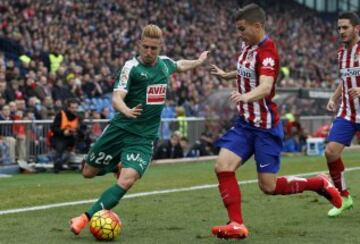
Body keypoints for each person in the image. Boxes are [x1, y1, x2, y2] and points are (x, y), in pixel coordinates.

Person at [209, 4, 342, 239]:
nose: (239, 34)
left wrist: (245, 96)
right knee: (222, 167)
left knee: (268, 187)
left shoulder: (268, 51)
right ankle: (236, 224)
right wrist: (228, 75)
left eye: (242, 29)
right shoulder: (247, 46)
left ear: (257, 26)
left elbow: (266, 86)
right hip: (244, 124)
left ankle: (319, 183)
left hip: (265, 128)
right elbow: (247, 70)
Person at [70, 24, 208, 235]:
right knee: (88, 172)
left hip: (143, 137)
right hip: (120, 129)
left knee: (127, 180)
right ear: (139, 45)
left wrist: (198, 62)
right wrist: (125, 110)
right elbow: (117, 97)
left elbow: (180, 64)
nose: (149, 52)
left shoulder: (164, 65)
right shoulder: (131, 68)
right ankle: (116, 165)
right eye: (146, 47)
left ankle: (84, 218)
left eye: (154, 48)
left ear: (160, 47)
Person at [324, 12, 360, 217]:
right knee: (330, 152)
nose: (341, 31)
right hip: (347, 113)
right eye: (339, 28)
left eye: (345, 27)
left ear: (357, 28)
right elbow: (344, 80)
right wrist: (334, 97)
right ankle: (345, 197)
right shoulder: (341, 54)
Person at [50, 98, 82, 173]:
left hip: (73, 138)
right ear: (68, 108)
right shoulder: (61, 114)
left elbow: (82, 130)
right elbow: (54, 128)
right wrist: (63, 132)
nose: (74, 110)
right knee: (60, 147)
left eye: (76, 108)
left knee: (84, 143)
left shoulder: (79, 116)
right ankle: (57, 166)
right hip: (59, 137)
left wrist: (77, 132)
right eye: (72, 108)